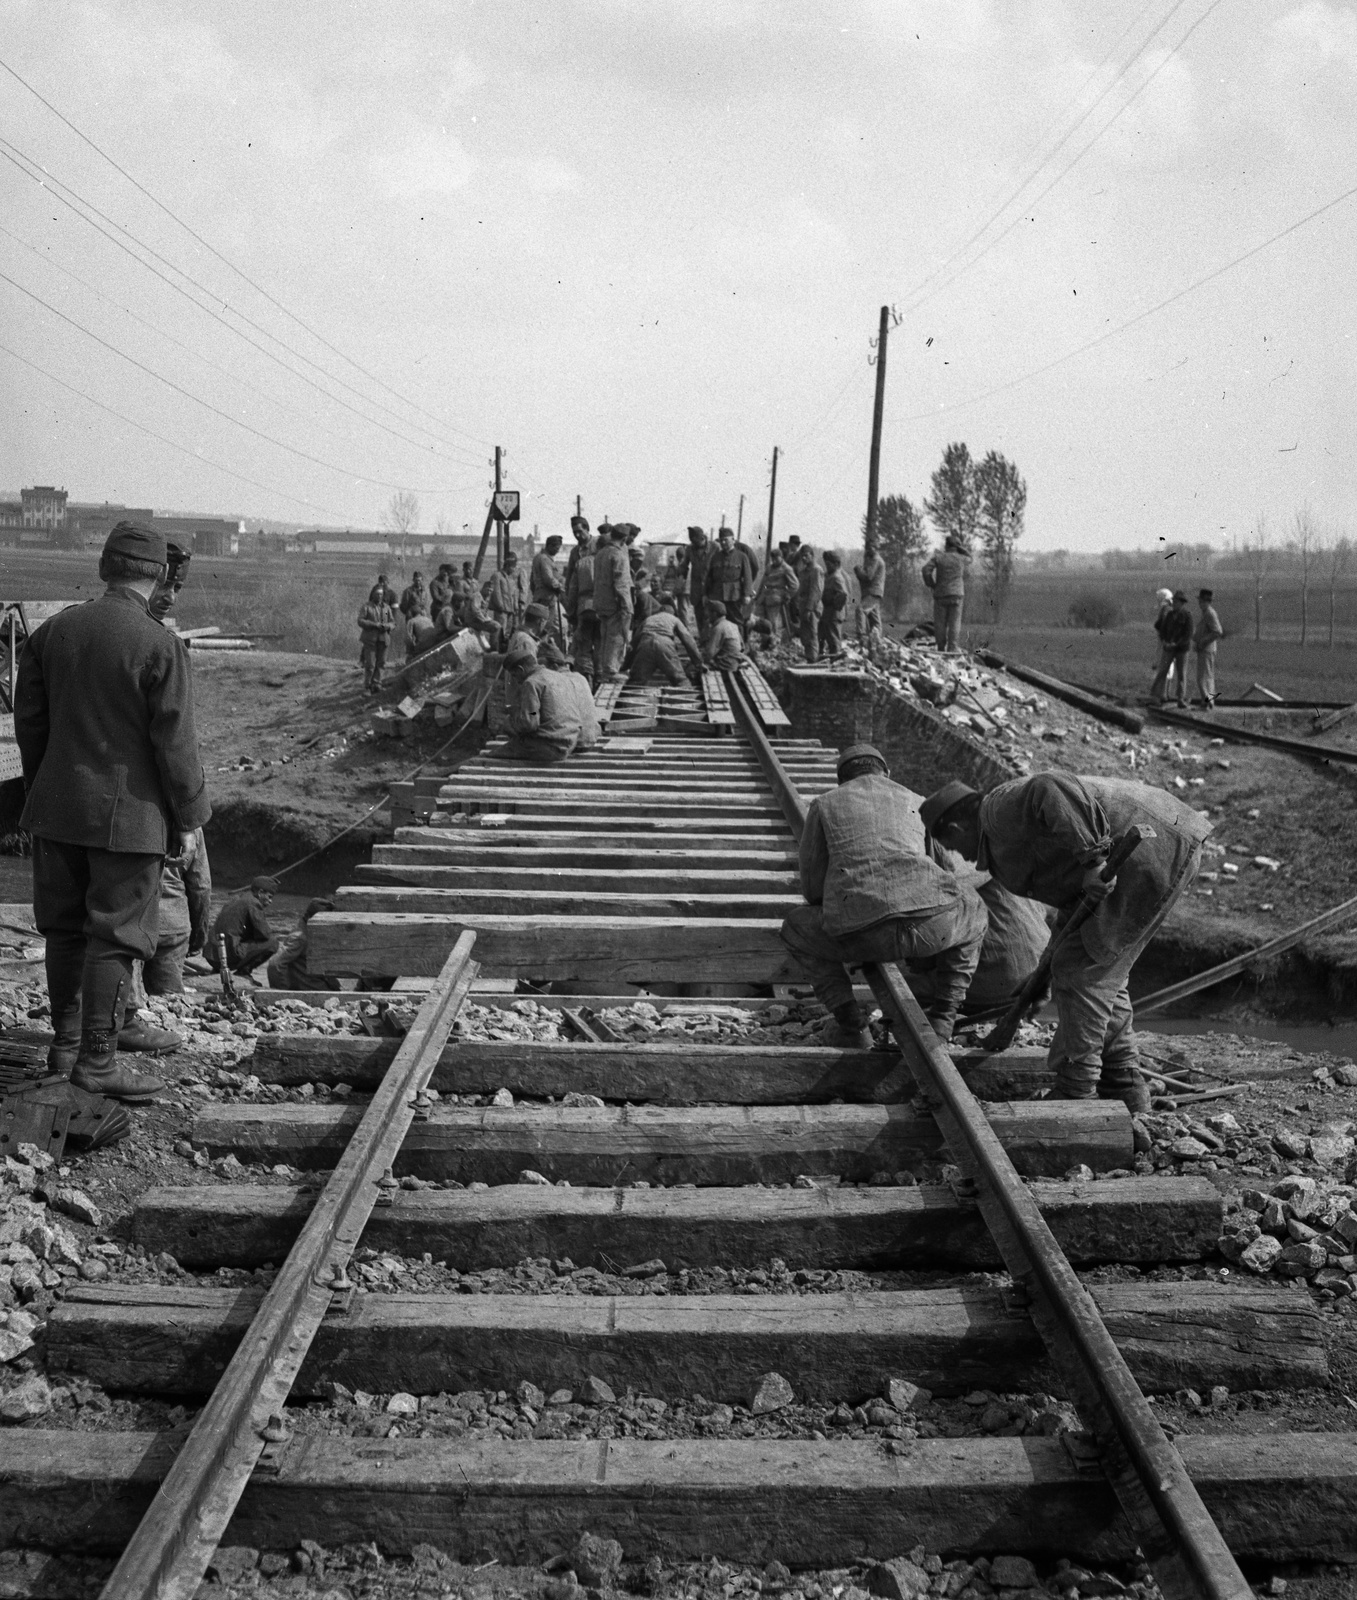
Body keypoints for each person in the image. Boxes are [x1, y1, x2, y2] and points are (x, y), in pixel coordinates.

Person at [14, 520, 211, 1100]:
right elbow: (176, 746)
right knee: (117, 935)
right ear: (158, 576)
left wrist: (46, 788)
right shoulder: (161, 646)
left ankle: (66, 1046)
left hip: (56, 810)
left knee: (63, 928)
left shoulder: (53, 632)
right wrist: (189, 819)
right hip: (129, 823)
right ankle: (98, 1063)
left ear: (105, 568)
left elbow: (30, 723)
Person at [921, 773, 1212, 1111]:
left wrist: (1094, 861)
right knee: (1100, 969)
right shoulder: (1002, 839)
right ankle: (1123, 1083)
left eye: (953, 846)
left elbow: (1050, 786)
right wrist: (1042, 972)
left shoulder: (997, 811)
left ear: (956, 828)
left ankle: (1076, 1091)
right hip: (1161, 844)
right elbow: (1074, 908)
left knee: (1080, 972)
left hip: (1148, 845)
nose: (960, 855)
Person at [780, 745, 986, 1047]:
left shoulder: (824, 803)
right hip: (929, 931)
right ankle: (944, 1015)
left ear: (841, 780)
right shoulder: (916, 799)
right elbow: (942, 871)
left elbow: (812, 889)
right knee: (975, 909)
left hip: (860, 936)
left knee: (795, 928)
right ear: (886, 773)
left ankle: (851, 1024)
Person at [496, 640, 585, 762]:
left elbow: (529, 723)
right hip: (570, 742)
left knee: (504, 731)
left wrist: (514, 719)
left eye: (515, 675)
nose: (517, 681)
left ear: (521, 669)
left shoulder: (531, 683)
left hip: (549, 746)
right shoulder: (560, 677)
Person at [207, 876, 280, 978]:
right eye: (269, 897)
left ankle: (217, 969)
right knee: (273, 943)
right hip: (225, 958)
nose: (270, 901)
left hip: (211, 956)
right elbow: (265, 934)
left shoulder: (237, 898)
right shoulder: (254, 903)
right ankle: (244, 972)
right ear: (260, 892)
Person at [266, 898, 343, 991]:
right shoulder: (299, 938)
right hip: (311, 988)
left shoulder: (309, 932)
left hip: (319, 985)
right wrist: (284, 991)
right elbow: (275, 964)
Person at [630, 595, 703, 685]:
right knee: (680, 680)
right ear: (672, 613)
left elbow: (634, 643)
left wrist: (625, 665)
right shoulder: (674, 619)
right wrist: (698, 662)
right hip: (665, 645)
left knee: (636, 681)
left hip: (646, 645)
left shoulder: (648, 619)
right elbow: (688, 640)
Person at [594, 523, 634, 680]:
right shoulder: (619, 555)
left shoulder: (601, 553)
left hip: (601, 602)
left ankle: (605, 669)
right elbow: (621, 583)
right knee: (616, 636)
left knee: (604, 636)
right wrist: (626, 605)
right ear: (624, 539)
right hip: (615, 603)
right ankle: (611, 670)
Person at [565, 519, 600, 682]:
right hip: (584, 604)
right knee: (585, 642)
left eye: (580, 531)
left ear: (587, 529)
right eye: (575, 533)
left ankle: (596, 677)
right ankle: (590, 678)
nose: (577, 535)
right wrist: (571, 609)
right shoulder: (575, 552)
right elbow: (570, 582)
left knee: (597, 642)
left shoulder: (599, 545)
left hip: (597, 602)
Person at [921, 536, 969, 652]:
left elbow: (925, 570)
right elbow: (970, 558)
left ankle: (941, 648)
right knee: (954, 623)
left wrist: (931, 584)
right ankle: (952, 648)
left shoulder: (939, 557)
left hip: (941, 594)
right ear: (957, 547)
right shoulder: (962, 558)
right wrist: (961, 549)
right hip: (957, 594)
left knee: (940, 623)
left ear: (946, 545)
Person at [704, 526, 756, 629]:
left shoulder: (741, 557)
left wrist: (747, 594)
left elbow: (747, 577)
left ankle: (739, 639)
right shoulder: (715, 557)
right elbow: (709, 577)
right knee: (716, 622)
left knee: (736, 621)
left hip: (734, 595)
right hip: (717, 595)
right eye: (721, 540)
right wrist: (705, 594)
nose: (723, 543)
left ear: (733, 540)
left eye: (726, 540)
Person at [1150, 590, 1192, 708]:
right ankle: (1156, 695)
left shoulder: (1187, 616)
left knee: (1181, 674)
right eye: (1174, 601)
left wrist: (1176, 644)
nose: (1174, 603)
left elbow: (1188, 635)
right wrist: (1165, 641)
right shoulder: (1169, 615)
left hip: (1181, 649)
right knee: (1162, 671)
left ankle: (1180, 698)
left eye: (1176, 602)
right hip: (1168, 647)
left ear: (1182, 603)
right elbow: (1162, 630)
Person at [751, 547, 797, 642]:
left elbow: (795, 585)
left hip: (775, 599)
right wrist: (758, 596)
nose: (774, 561)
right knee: (760, 620)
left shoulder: (787, 569)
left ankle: (774, 643)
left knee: (773, 623)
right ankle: (765, 641)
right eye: (773, 559)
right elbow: (763, 583)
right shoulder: (769, 567)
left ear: (781, 557)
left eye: (776, 558)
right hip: (763, 597)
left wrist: (787, 595)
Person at [357, 585, 396, 692]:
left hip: (384, 639)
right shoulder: (367, 607)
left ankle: (377, 683)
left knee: (381, 662)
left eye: (381, 594)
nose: (379, 596)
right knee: (370, 664)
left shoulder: (386, 608)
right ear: (373, 594)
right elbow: (360, 620)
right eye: (377, 594)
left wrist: (388, 626)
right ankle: (368, 686)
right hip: (370, 639)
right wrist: (374, 625)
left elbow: (392, 622)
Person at [510, 602, 569, 668]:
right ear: (541, 622)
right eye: (545, 622)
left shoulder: (517, 634)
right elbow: (528, 668)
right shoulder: (527, 641)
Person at [487, 552, 529, 642]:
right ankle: (495, 646)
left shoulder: (510, 578)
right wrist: (501, 606)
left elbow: (513, 593)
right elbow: (496, 593)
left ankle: (504, 647)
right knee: (499, 630)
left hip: (510, 609)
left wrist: (515, 606)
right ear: (508, 566)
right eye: (513, 567)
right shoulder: (497, 576)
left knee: (508, 631)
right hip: (502, 610)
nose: (514, 569)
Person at [531, 535, 566, 638]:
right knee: (545, 625)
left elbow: (532, 581)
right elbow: (549, 579)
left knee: (542, 625)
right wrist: (561, 587)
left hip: (540, 595)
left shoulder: (538, 557)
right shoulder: (545, 559)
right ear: (550, 546)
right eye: (556, 548)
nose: (557, 551)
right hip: (547, 598)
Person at [1194, 589, 1224, 709]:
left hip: (1207, 649)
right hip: (1205, 649)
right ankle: (1209, 702)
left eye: (1202, 601)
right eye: (1200, 601)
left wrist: (1203, 642)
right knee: (1207, 677)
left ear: (1207, 601)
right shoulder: (1206, 612)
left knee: (1202, 678)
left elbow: (1217, 631)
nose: (1199, 603)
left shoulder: (1210, 613)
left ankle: (1207, 702)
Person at [680, 527, 712, 635]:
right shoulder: (690, 549)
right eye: (691, 541)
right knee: (699, 615)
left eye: (695, 541)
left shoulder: (715, 547)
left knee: (710, 616)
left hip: (711, 588)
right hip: (697, 589)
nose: (693, 544)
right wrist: (681, 576)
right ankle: (702, 638)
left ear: (702, 538)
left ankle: (711, 639)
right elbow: (684, 565)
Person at [819, 551, 851, 660]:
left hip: (834, 614)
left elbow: (843, 595)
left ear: (836, 564)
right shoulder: (828, 575)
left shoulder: (837, 577)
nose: (827, 566)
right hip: (826, 613)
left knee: (834, 640)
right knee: (822, 638)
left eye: (829, 564)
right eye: (826, 564)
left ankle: (836, 661)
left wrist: (831, 601)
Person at [855, 540, 887, 642]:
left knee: (860, 609)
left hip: (873, 591)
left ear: (876, 548)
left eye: (870, 548)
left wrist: (858, 571)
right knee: (874, 618)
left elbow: (868, 576)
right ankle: (877, 639)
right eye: (867, 548)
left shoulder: (875, 560)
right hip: (873, 592)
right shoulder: (874, 560)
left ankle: (861, 635)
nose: (868, 550)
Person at [797, 545, 824, 663]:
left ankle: (813, 659)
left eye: (806, 556)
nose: (804, 558)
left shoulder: (816, 570)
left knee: (812, 634)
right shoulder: (803, 572)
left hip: (812, 608)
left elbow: (815, 591)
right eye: (802, 556)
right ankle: (809, 657)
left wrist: (809, 609)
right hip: (803, 607)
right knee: (805, 635)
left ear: (812, 556)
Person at [703, 600, 746, 671]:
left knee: (692, 668)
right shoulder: (733, 625)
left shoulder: (718, 628)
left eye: (709, 612)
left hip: (725, 664)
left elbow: (710, 653)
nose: (707, 615)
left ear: (714, 614)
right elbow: (742, 647)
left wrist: (701, 661)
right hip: (735, 662)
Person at [398, 571, 429, 660]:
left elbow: (425, 603)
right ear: (413, 580)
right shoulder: (408, 591)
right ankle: (410, 655)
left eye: (419, 580)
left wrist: (423, 612)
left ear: (422, 580)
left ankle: (420, 653)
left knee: (422, 634)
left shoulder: (424, 591)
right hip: (411, 616)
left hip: (422, 616)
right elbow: (403, 605)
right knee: (410, 636)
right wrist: (409, 612)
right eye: (416, 580)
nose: (418, 582)